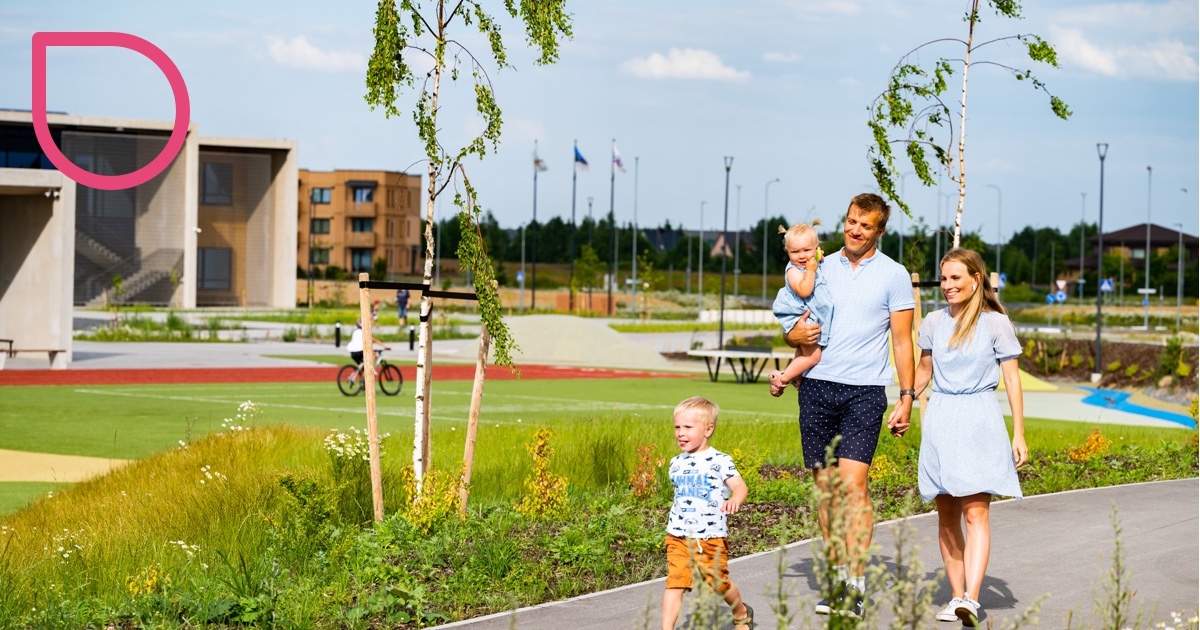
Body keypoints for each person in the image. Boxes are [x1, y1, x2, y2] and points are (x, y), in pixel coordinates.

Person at [783, 193, 915, 618]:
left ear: (879, 231)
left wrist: (907, 397)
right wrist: (794, 340)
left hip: (864, 392)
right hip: (817, 387)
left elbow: (901, 341)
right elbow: (794, 323)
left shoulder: (894, 275)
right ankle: (838, 573)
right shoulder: (815, 265)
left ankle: (855, 585)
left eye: (866, 225)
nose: (855, 230)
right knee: (825, 491)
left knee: (853, 486)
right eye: (851, 221)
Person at [914, 248, 1026, 627]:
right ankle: (956, 595)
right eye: (944, 278)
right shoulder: (931, 321)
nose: (947, 285)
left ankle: (972, 600)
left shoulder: (996, 323)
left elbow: (1012, 379)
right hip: (941, 420)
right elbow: (924, 369)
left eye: (955, 278)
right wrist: (904, 400)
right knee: (946, 516)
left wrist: (1019, 433)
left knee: (975, 513)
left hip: (979, 420)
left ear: (976, 279)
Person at [662, 396, 753, 630]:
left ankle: (741, 613)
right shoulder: (675, 463)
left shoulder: (720, 460)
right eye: (677, 427)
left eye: (688, 427)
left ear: (708, 430)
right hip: (678, 536)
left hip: (710, 536)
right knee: (675, 582)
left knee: (718, 584)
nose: (681, 433)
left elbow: (740, 487)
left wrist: (735, 499)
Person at [768, 220, 832, 394]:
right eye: (795, 252)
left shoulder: (810, 263)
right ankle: (782, 378)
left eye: (807, 250)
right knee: (813, 356)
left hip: (806, 313)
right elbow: (804, 290)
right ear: (787, 252)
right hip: (798, 314)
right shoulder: (794, 271)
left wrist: (818, 259)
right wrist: (811, 270)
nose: (802, 256)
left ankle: (796, 374)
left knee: (803, 352)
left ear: (816, 248)